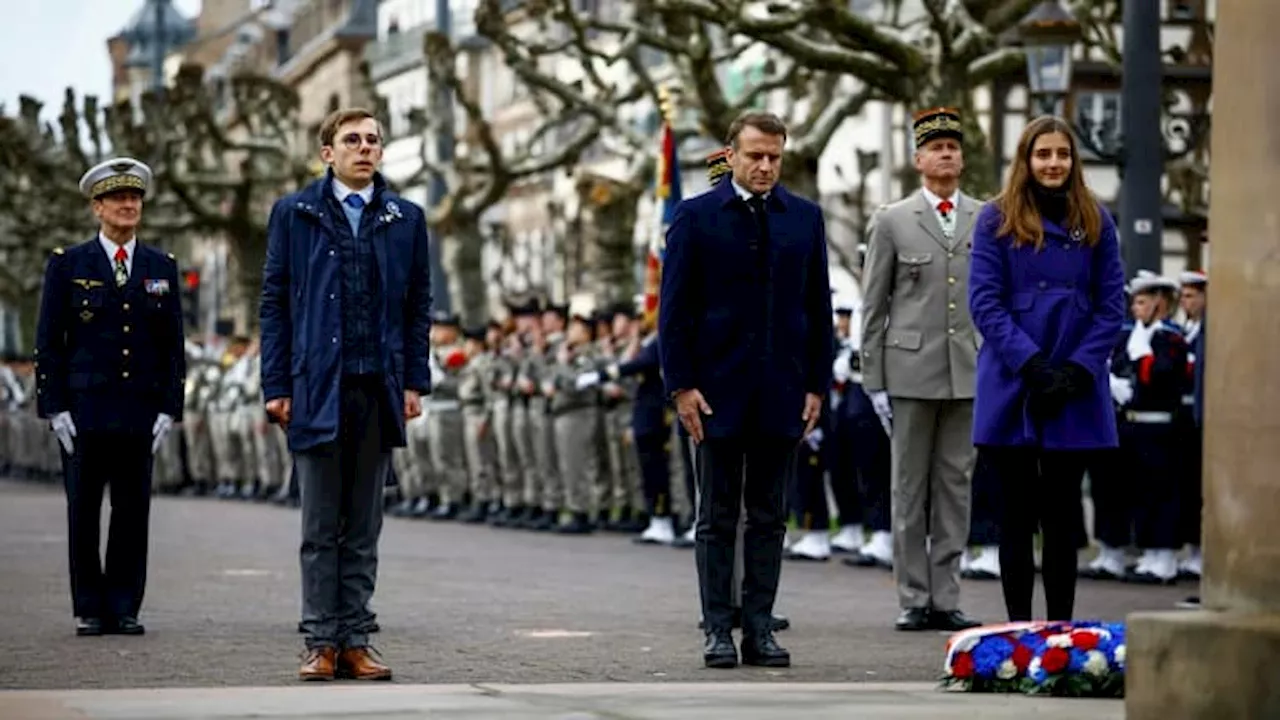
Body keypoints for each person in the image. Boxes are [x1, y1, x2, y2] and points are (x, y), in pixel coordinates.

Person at [260, 107, 432, 681]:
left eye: (373, 140)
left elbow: (416, 308)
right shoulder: (295, 214)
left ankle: (356, 639)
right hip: (316, 388)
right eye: (352, 140)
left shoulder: (405, 217)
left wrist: (413, 380)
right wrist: (277, 384)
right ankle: (320, 643)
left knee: (363, 526)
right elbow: (275, 304)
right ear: (327, 152)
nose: (365, 148)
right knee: (318, 527)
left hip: (376, 389)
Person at [658, 110, 833, 669]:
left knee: (768, 515)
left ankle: (759, 627)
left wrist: (816, 385)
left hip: (781, 391)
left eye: (774, 157)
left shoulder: (803, 219)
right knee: (716, 515)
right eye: (754, 155)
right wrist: (681, 386)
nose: (764, 166)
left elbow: (817, 309)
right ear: (730, 153)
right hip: (715, 393)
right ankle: (717, 627)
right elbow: (675, 313)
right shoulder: (696, 217)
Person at [968, 115, 1127, 622]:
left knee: (1062, 519)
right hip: (1014, 381)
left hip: (1075, 384)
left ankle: (1060, 632)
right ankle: (1018, 630)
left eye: (1062, 154)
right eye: (1043, 154)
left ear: (1073, 160)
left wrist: (1078, 369)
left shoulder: (1098, 220)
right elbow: (985, 302)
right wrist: (1032, 365)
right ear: (1026, 160)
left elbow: (1111, 305)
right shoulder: (994, 219)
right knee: (1015, 518)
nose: (1053, 163)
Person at [35, 157, 185, 637]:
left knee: (132, 510)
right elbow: (49, 342)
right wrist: (54, 406)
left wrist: (169, 406)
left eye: (135, 198)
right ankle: (88, 606)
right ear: (97, 207)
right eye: (118, 198)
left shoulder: (161, 266)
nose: (128, 205)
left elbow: (172, 345)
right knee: (83, 511)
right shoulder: (68, 264)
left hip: (139, 410)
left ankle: (124, 604)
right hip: (84, 411)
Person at [859, 107, 982, 633]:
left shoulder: (986, 217)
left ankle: (946, 594)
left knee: (956, 485)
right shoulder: (892, 219)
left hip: (968, 370)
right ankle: (912, 595)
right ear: (918, 160)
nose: (946, 153)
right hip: (908, 369)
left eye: (953, 146)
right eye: (936, 147)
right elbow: (874, 303)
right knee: (908, 487)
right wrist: (873, 379)